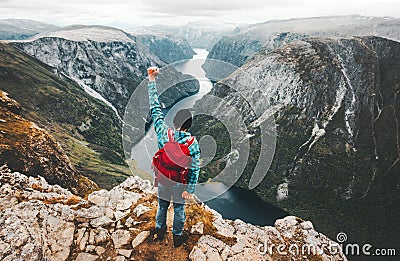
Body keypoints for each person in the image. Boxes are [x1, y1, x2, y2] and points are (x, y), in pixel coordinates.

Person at [147, 67, 201, 247]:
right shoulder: (192, 143)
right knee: (179, 209)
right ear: (189, 126)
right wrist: (190, 190)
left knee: (162, 206)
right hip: (180, 184)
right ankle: (177, 237)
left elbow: (155, 109)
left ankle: (159, 230)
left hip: (163, 180)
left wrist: (151, 81)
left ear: (175, 123)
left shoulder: (164, 134)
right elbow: (194, 168)